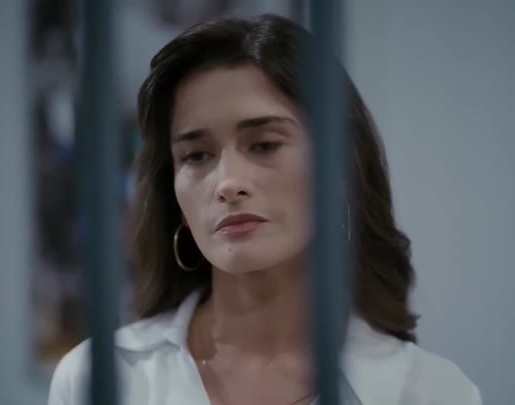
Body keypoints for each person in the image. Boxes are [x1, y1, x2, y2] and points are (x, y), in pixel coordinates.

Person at [48, 13, 482, 405]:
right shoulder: (96, 380)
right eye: (196, 156)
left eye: (264, 145)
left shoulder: (431, 393)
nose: (228, 183)